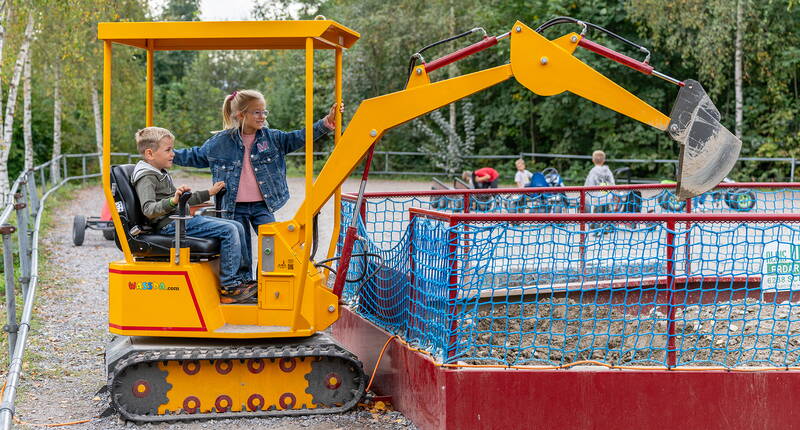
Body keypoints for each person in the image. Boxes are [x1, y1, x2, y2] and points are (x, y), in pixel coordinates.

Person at [172, 89, 339, 259]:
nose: (262, 116)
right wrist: (169, 154)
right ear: (241, 115)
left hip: (263, 205)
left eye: (264, 112)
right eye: (257, 112)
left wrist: (325, 123)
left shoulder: (272, 138)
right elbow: (195, 156)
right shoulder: (220, 142)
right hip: (234, 207)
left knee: (272, 244)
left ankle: (264, 279)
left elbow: (298, 137)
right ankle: (244, 283)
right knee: (241, 248)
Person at [132, 127, 257, 304]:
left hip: (179, 220)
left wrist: (209, 192)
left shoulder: (159, 173)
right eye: (168, 150)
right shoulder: (146, 177)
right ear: (150, 153)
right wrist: (173, 201)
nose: (173, 154)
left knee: (236, 225)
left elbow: (184, 201)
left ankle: (242, 280)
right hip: (170, 226)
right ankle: (229, 288)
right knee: (229, 229)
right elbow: (149, 210)